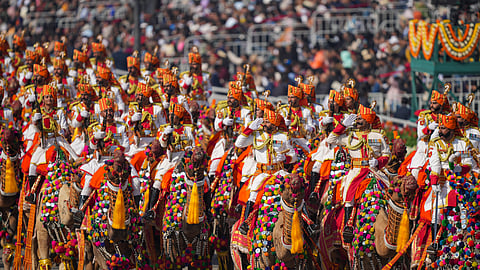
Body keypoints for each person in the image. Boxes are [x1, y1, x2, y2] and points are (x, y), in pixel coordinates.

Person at [326, 104, 390, 244]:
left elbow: (387, 154)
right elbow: (330, 140)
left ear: (368, 120)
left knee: (389, 192)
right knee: (348, 195)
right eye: (357, 118)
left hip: (374, 171)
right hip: (355, 171)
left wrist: (378, 162)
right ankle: (348, 226)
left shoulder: (378, 136)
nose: (357, 121)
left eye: (360, 118)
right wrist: (342, 125)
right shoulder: (350, 135)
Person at [235, 108, 297, 235]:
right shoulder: (256, 135)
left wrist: (286, 158)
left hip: (279, 171)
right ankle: (246, 223)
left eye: (267, 122)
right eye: (264, 121)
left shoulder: (283, 136)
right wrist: (249, 129)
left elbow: (294, 156)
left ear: (274, 124)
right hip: (262, 173)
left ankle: (307, 223)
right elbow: (238, 143)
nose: (264, 124)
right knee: (253, 193)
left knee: (294, 191)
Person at [426, 114, 474, 251]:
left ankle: (466, 240)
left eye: (443, 128)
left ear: (452, 129)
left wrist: (460, 168)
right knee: (436, 212)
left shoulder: (463, 143)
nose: (440, 131)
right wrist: (434, 182)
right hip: (441, 183)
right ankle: (435, 242)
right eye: (439, 128)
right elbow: (434, 163)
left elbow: (469, 163)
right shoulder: (436, 143)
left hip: (459, 182)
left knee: (464, 210)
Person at [25, 84, 79, 203]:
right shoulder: (38, 112)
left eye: (51, 97)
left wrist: (60, 130)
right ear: (43, 99)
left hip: (58, 140)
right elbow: (34, 129)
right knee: (32, 164)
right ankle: (32, 193)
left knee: (74, 158)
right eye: (47, 97)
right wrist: (36, 121)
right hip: (44, 143)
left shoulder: (59, 112)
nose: (49, 99)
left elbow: (65, 129)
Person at [209, 81, 252, 180]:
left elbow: (247, 128)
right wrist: (223, 122)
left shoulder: (246, 112)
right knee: (214, 164)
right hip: (224, 140)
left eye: (231, 98)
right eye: (228, 97)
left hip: (239, 144)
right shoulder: (222, 110)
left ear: (238, 99)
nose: (229, 100)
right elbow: (216, 126)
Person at [408, 85, 451, 179]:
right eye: (431, 103)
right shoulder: (424, 116)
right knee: (415, 172)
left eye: (434, 103)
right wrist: (429, 128)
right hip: (424, 148)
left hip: (441, 148)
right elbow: (420, 134)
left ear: (441, 105)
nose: (431, 105)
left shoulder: (447, 117)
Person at [278, 82, 315, 153]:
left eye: (292, 97)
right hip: (288, 141)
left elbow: (312, 126)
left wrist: (308, 128)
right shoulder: (284, 110)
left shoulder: (306, 111)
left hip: (303, 141)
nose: (290, 100)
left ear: (298, 98)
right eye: (289, 97)